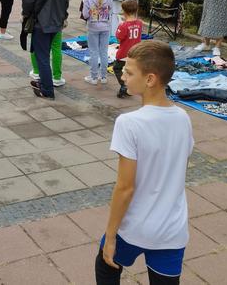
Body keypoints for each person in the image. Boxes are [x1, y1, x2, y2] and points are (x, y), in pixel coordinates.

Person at [97, 40, 194, 285]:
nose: (122, 75)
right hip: (172, 229)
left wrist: (110, 236)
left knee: (105, 266)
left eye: (129, 72)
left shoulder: (129, 123)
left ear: (150, 79)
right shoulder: (183, 118)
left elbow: (125, 187)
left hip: (135, 227)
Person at [22, 0, 69, 99]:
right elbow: (65, 2)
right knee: (50, 52)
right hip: (57, 21)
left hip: (41, 22)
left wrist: (25, 15)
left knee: (41, 56)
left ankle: (47, 89)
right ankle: (45, 82)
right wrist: (63, 18)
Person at [82, 0, 113, 86]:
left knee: (94, 52)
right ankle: (104, 76)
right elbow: (110, 11)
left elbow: (85, 15)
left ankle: (94, 77)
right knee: (104, 52)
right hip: (105, 26)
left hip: (93, 27)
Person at [114, 0, 142, 98]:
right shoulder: (139, 23)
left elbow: (119, 39)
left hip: (124, 52)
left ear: (124, 11)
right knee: (130, 70)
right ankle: (130, 86)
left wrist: (119, 27)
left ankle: (124, 86)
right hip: (135, 52)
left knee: (117, 68)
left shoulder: (123, 25)